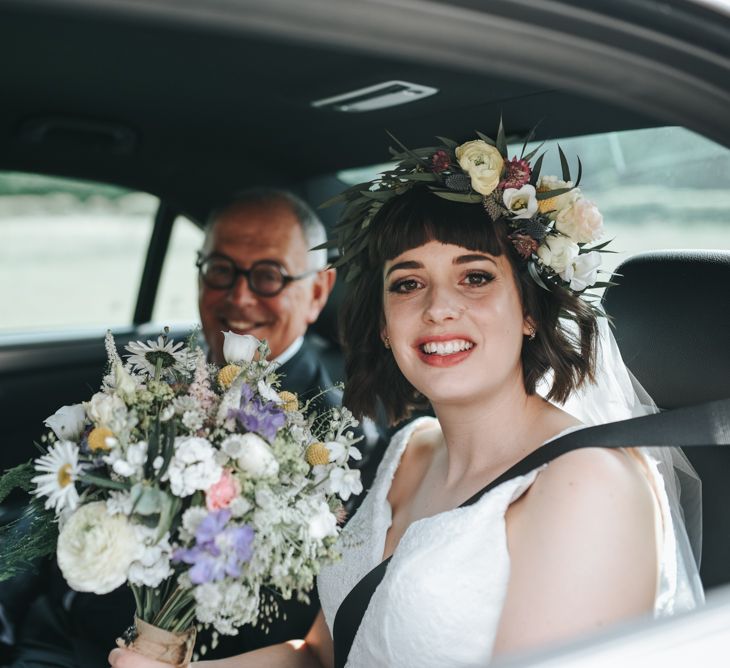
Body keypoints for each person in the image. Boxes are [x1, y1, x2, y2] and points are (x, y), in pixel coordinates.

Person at [108, 133, 702, 668]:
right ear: (387, 326)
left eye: (475, 276)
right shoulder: (407, 451)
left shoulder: (585, 485)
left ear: (529, 312)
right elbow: (319, 655)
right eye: (409, 283)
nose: (438, 307)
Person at [3, 188, 383, 667]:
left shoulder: (339, 443)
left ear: (318, 291)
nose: (240, 296)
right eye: (221, 270)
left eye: (268, 276)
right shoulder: (156, 380)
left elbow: (292, 618)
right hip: (48, 626)